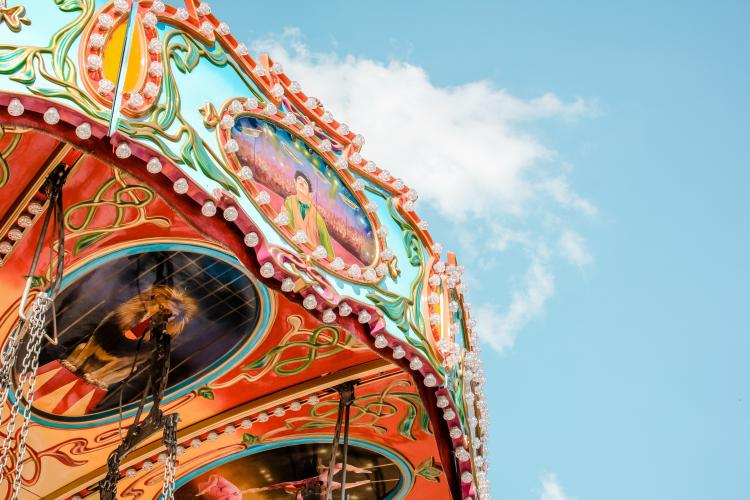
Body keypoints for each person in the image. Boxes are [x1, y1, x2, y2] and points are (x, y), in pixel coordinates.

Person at [283, 171, 334, 259]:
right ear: (295, 183)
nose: (301, 182)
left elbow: (327, 245)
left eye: (305, 182)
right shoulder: (290, 201)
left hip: (311, 260)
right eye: (299, 179)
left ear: (310, 193)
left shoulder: (317, 217)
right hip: (289, 249)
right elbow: (287, 225)